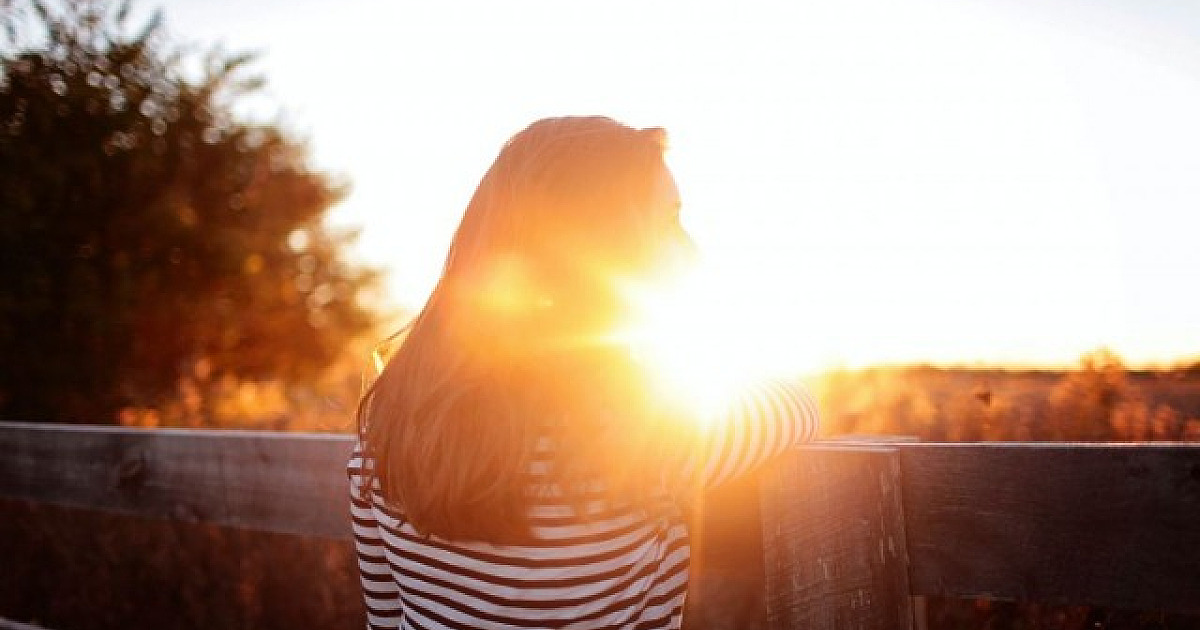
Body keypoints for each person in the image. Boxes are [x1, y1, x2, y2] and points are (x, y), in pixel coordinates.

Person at [348, 116, 820, 630]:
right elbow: (798, 408)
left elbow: (385, 621)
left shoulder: (384, 426)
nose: (690, 248)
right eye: (668, 220)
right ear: (598, 243)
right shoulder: (639, 428)